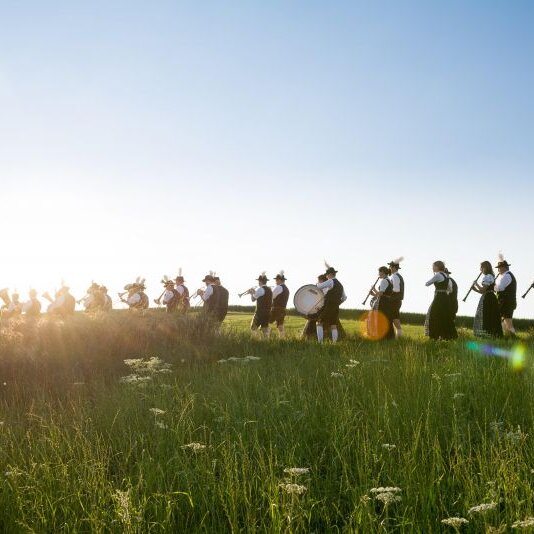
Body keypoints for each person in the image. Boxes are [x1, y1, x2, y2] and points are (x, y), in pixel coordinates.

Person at [424, 261, 457, 340]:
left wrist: (434, 278)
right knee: (445, 316)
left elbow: (427, 283)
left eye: (433, 266)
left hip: (438, 297)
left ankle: (434, 336)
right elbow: (450, 289)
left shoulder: (438, 275)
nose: (432, 268)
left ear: (438, 267)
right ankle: (448, 336)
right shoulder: (446, 276)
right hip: (445, 297)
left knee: (434, 315)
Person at [316, 263, 346, 343]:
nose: (326, 276)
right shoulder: (340, 285)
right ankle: (334, 343)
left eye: (327, 274)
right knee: (333, 325)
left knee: (319, 322)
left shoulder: (330, 281)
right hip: (335, 307)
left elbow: (318, 287)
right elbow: (344, 298)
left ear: (330, 274)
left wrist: (318, 283)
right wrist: (336, 303)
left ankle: (320, 342)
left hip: (328, 305)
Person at [472, 260, 503, 338]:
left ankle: (487, 334)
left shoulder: (488, 276)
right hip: (490, 297)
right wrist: (474, 289)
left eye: (481, 267)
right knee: (490, 316)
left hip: (488, 299)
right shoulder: (490, 276)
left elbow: (483, 290)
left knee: (486, 316)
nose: (480, 269)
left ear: (485, 267)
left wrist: (476, 284)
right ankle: (492, 334)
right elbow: (484, 291)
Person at [368, 266, 395, 340]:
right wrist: (373, 293)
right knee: (386, 319)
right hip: (387, 302)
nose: (378, 274)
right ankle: (389, 337)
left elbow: (380, 294)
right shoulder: (388, 280)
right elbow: (384, 294)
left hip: (383, 303)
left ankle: (383, 337)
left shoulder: (384, 281)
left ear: (382, 272)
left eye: (379, 272)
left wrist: (373, 290)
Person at [494, 255, 517, 336]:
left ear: (504, 267)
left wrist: (492, 285)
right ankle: (507, 338)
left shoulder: (506, 276)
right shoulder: (506, 275)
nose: (498, 270)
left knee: (508, 322)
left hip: (507, 303)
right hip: (506, 302)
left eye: (499, 268)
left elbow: (500, 288)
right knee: (504, 323)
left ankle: (513, 338)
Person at [249, 272, 272, 338]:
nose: (258, 282)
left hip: (260, 312)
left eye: (258, 281)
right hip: (267, 312)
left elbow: (253, 299)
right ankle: (266, 342)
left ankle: (255, 340)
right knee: (265, 328)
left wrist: (251, 293)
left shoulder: (260, 289)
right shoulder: (269, 290)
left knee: (253, 327)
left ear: (260, 281)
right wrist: (254, 292)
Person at [270, 271, 290, 338]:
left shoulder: (278, 287)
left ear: (279, 280)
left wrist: (270, 290)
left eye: (276, 280)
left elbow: (271, 296)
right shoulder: (286, 289)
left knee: (265, 322)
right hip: (282, 309)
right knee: (280, 325)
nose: (275, 281)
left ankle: (265, 338)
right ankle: (282, 339)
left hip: (276, 309)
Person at [388, 257, 404, 338]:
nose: (389, 268)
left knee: (395, 319)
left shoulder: (394, 276)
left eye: (390, 267)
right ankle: (398, 337)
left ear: (394, 267)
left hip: (394, 300)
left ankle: (398, 337)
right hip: (396, 300)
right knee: (395, 319)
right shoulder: (397, 276)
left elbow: (396, 289)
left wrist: (387, 291)